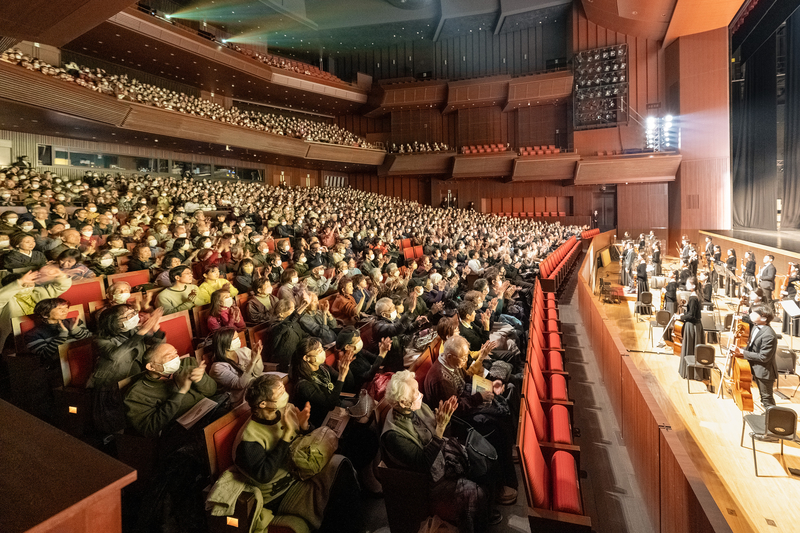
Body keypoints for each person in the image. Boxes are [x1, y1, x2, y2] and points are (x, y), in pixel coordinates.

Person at [232, 374, 361, 532]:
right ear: (263, 403)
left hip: (298, 471)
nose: (285, 393)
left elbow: (302, 443)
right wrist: (286, 437)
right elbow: (264, 475)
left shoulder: (283, 411)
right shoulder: (249, 439)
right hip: (279, 494)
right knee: (338, 492)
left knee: (342, 466)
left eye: (283, 388)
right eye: (279, 392)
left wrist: (304, 426)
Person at [382, 371, 497, 531]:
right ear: (402, 402)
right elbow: (424, 463)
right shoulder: (394, 436)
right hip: (428, 484)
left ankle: (483, 514)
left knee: (483, 464)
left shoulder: (415, 407)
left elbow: (442, 435)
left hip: (442, 458)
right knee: (476, 492)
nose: (420, 394)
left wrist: (445, 420)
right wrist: (440, 427)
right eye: (415, 392)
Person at [423, 335, 518, 505]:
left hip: (466, 403)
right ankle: (498, 485)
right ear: (450, 356)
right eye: (464, 357)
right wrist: (479, 398)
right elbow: (455, 409)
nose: (466, 360)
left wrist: (488, 384)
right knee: (494, 427)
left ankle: (507, 457)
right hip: (455, 423)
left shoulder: (452, 362)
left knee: (502, 411)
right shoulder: (440, 378)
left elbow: (466, 378)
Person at [290, 337, 381, 487]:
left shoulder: (322, 369)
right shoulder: (303, 385)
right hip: (320, 426)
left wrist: (346, 370)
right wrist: (341, 376)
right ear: (307, 358)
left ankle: (369, 472)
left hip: (336, 414)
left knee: (371, 421)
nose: (322, 353)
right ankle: (361, 477)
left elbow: (348, 386)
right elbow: (330, 403)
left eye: (322, 349)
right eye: (318, 351)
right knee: (366, 437)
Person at [123, 343, 217, 438]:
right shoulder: (137, 393)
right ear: (151, 367)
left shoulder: (187, 364)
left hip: (209, 411)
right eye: (169, 356)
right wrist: (180, 392)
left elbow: (212, 391)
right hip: (183, 432)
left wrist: (200, 380)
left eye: (175, 353)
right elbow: (149, 429)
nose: (176, 357)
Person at [88, 306, 165, 389]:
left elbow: (157, 348)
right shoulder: (100, 339)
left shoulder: (134, 330)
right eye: (129, 315)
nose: (135, 316)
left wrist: (156, 328)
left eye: (134, 312)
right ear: (114, 322)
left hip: (136, 379)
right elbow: (115, 355)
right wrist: (142, 331)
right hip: (110, 384)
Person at [732, 304, 778, 415]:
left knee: (766, 399)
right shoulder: (755, 326)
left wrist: (743, 352)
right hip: (754, 367)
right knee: (764, 398)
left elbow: (764, 357)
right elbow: (751, 346)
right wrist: (739, 350)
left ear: (763, 318)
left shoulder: (769, 335)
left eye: (754, 313)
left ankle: (774, 423)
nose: (750, 315)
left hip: (764, 371)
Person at [24, 298, 91, 366]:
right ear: (45, 315)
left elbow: (90, 340)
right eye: (59, 309)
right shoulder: (32, 334)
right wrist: (62, 336)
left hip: (85, 357)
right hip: (60, 366)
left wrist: (75, 330)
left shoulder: (73, 321)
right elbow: (44, 356)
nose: (65, 311)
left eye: (66, 307)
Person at [208, 328, 263, 406]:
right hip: (240, 399)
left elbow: (258, 372)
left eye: (238, 337)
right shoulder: (218, 368)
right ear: (224, 342)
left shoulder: (244, 351)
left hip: (255, 388)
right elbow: (240, 384)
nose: (238, 340)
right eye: (234, 339)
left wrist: (258, 357)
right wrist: (252, 362)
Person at [677, 277, 709, 390]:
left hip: (692, 327)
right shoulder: (696, 296)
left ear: (693, 286)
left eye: (687, 283)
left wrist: (680, 316)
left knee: (691, 347)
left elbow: (691, 316)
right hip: (696, 326)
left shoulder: (693, 298)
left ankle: (691, 373)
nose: (686, 285)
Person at [268, 297, 309, 372]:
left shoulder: (294, 324)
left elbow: (304, 335)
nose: (294, 311)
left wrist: (312, 342)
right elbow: (287, 323)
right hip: (284, 363)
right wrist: (303, 306)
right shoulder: (275, 327)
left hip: (297, 357)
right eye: (291, 309)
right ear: (281, 313)